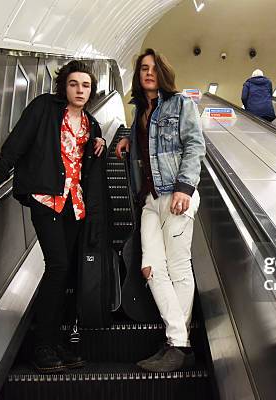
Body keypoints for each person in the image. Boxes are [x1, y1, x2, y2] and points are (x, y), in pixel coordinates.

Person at [0, 60, 107, 373]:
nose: (80, 90)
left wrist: (101, 142)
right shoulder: (44, 108)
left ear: (91, 90)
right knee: (57, 265)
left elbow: (89, 162)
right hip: (46, 198)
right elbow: (19, 140)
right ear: (64, 86)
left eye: (85, 85)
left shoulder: (92, 124)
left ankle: (55, 341)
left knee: (66, 270)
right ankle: (42, 344)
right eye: (74, 84)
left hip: (75, 204)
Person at [115, 49, 206, 372]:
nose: (148, 73)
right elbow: (147, 144)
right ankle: (179, 343)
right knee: (151, 267)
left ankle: (176, 345)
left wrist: (185, 186)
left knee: (179, 269)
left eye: (154, 68)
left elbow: (195, 145)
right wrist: (128, 142)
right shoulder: (140, 110)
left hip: (177, 195)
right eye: (143, 68)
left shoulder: (181, 104)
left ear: (163, 72)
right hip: (150, 200)